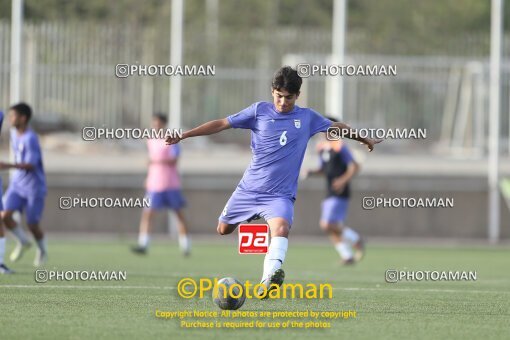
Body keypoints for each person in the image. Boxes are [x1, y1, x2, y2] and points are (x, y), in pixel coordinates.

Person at [165, 66, 381, 297]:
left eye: (289, 97)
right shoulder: (258, 111)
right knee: (223, 229)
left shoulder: (307, 117)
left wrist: (363, 138)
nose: (283, 102)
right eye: (279, 96)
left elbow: (338, 127)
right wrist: (185, 135)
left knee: (281, 228)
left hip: (280, 195)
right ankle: (255, 217)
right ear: (272, 92)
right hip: (249, 189)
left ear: (297, 95)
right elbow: (221, 123)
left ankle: (268, 279)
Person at [303, 118, 364, 264]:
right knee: (331, 226)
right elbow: (324, 169)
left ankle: (355, 239)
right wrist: (311, 172)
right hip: (330, 189)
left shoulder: (340, 146)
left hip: (340, 190)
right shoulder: (322, 148)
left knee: (326, 224)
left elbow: (354, 166)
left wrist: (343, 180)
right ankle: (347, 255)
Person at [132, 113, 191, 256]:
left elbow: (174, 159)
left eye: (158, 123)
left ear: (164, 124)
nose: (156, 126)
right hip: (155, 183)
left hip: (171, 183)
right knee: (148, 214)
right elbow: (150, 159)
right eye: (154, 123)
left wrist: (156, 161)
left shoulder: (171, 138)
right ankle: (143, 244)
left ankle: (185, 246)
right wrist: (148, 177)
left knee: (178, 214)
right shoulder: (150, 140)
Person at [0, 102, 48, 267]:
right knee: (4, 215)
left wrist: (7, 165)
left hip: (34, 187)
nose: (10, 119)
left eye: (13, 116)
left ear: (23, 118)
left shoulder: (31, 138)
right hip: (17, 185)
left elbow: (31, 164)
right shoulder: (14, 134)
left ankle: (42, 249)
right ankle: (22, 240)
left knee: (33, 224)